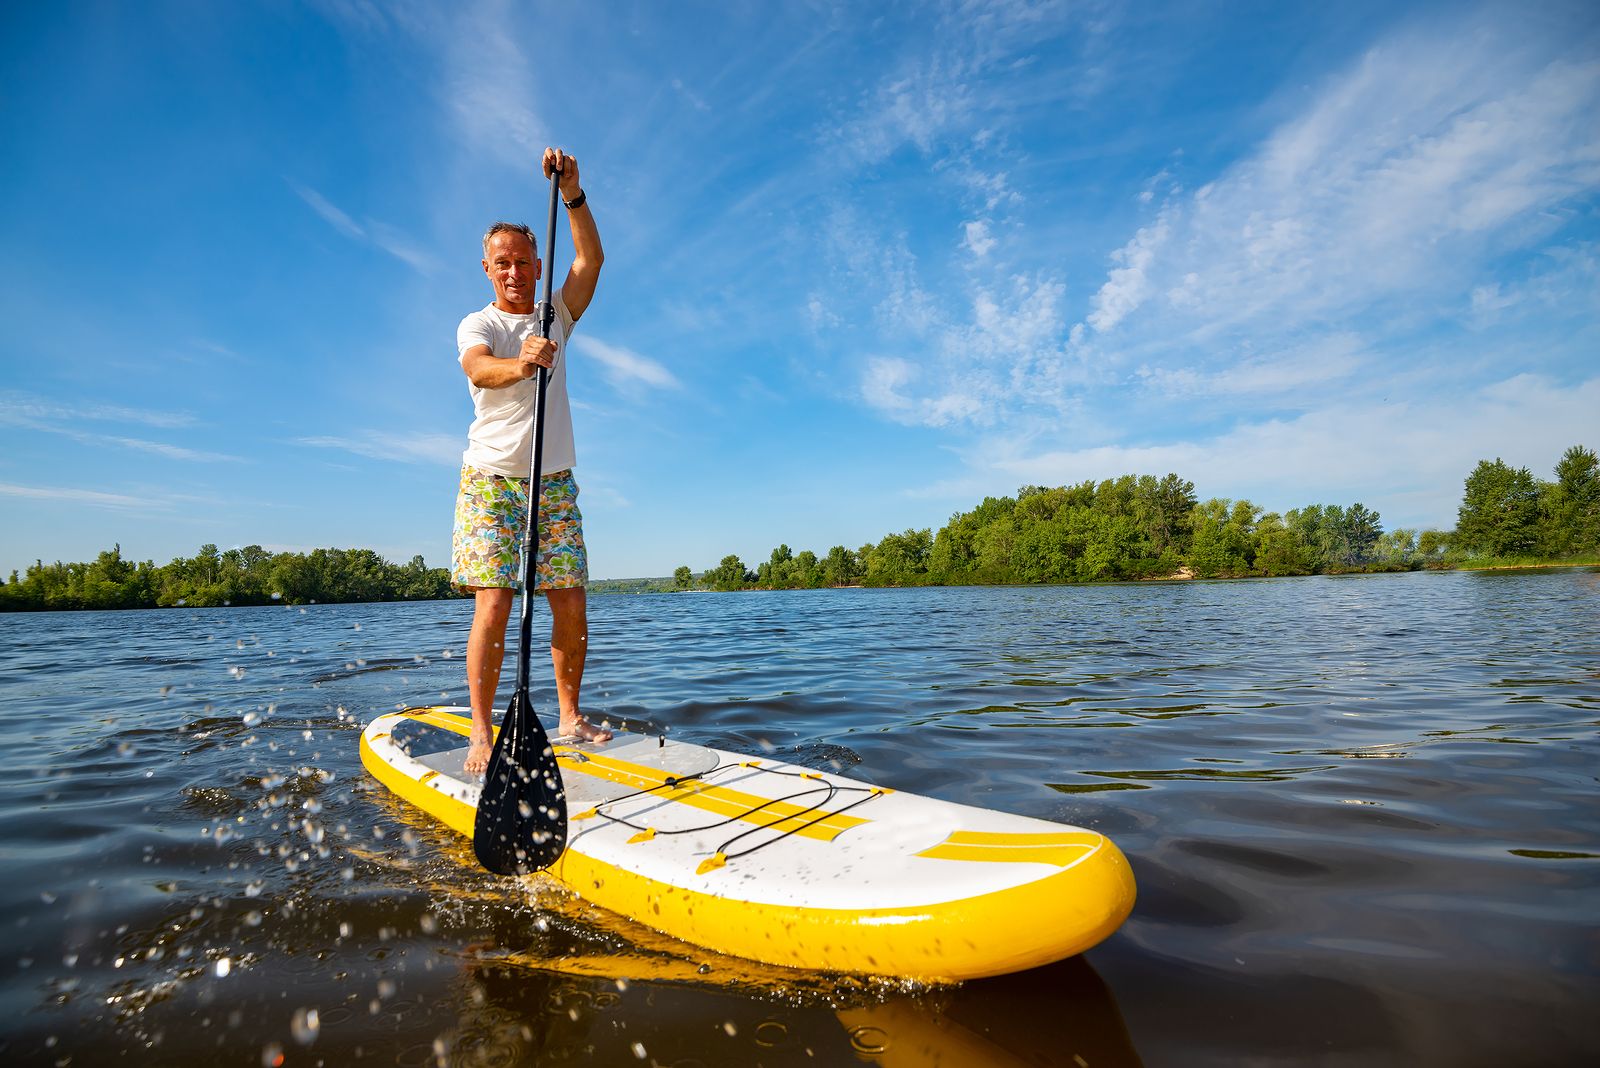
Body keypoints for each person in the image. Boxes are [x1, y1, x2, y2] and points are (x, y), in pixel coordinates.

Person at [452, 146, 611, 777]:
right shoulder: (478, 323)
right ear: (488, 269)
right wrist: (525, 363)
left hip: (554, 481)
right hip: (491, 483)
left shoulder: (556, 314)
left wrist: (572, 192)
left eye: (523, 261)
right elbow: (479, 370)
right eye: (502, 264)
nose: (514, 272)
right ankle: (482, 733)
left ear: (537, 264)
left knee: (569, 599)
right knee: (493, 602)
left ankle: (570, 718)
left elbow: (591, 260)